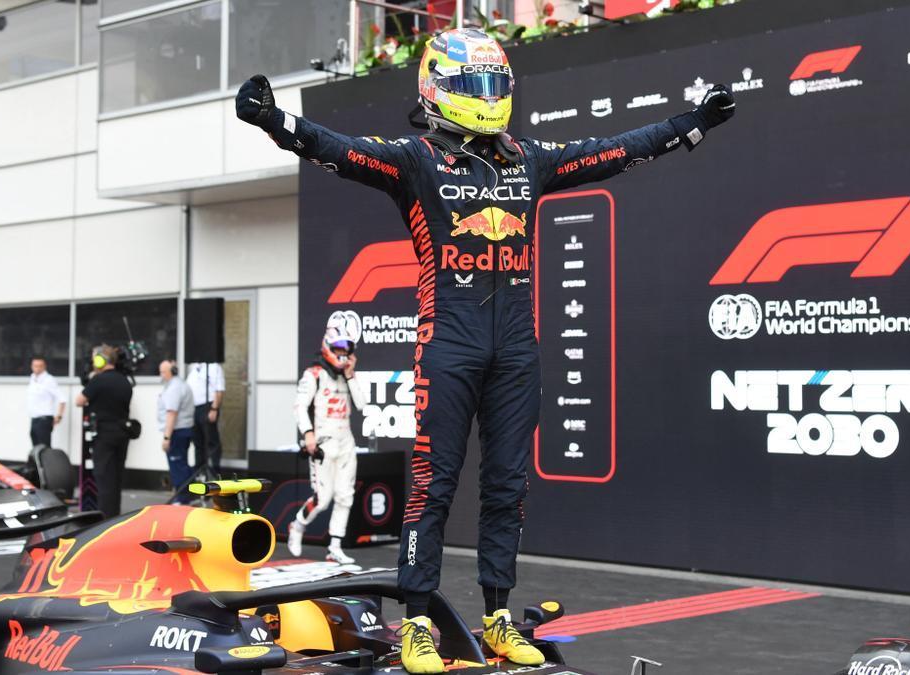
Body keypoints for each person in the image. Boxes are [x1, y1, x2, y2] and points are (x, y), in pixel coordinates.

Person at [237, 27, 735, 673]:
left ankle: (498, 617)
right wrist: (276, 120)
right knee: (432, 485)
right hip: (448, 344)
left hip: (517, 350)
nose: (486, 95)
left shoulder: (529, 158)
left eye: (494, 84)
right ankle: (416, 622)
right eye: (473, 84)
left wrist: (692, 123)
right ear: (437, 88)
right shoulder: (414, 159)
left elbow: (614, 149)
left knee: (507, 486)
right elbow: (343, 151)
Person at [290, 315, 366, 565]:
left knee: (345, 495)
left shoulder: (348, 375)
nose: (343, 354)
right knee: (322, 499)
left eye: (347, 349)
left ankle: (335, 546)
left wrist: (352, 375)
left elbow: (362, 404)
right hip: (322, 443)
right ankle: (298, 525)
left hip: (346, 442)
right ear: (329, 345)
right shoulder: (313, 373)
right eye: (339, 348)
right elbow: (300, 406)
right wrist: (308, 435)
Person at [75, 345, 133, 518]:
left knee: (104, 477)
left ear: (101, 361)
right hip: (122, 433)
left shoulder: (98, 381)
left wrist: (92, 378)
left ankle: (104, 517)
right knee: (116, 477)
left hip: (104, 433)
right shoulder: (125, 381)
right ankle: (115, 515)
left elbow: (79, 401)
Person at [157, 359, 195, 502]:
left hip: (177, 431)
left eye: (163, 372)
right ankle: (186, 496)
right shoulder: (176, 385)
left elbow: (172, 413)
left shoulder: (174, 388)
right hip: (181, 430)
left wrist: (167, 437)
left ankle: (183, 499)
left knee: (178, 466)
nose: (161, 375)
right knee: (181, 464)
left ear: (171, 371)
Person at [186, 362, 225, 475]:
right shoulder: (193, 367)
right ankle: (200, 471)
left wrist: (214, 408)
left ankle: (214, 471)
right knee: (198, 441)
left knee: (211, 440)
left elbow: (219, 389)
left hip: (208, 406)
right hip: (194, 407)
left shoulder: (214, 367)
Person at [26, 357, 65, 447]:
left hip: (44, 419)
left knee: (44, 448)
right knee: (35, 448)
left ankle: (47, 462)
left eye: (40, 366)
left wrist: (59, 416)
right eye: (35, 366)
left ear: (44, 367)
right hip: (34, 418)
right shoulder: (32, 379)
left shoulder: (49, 380)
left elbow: (62, 399)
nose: (37, 368)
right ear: (32, 366)